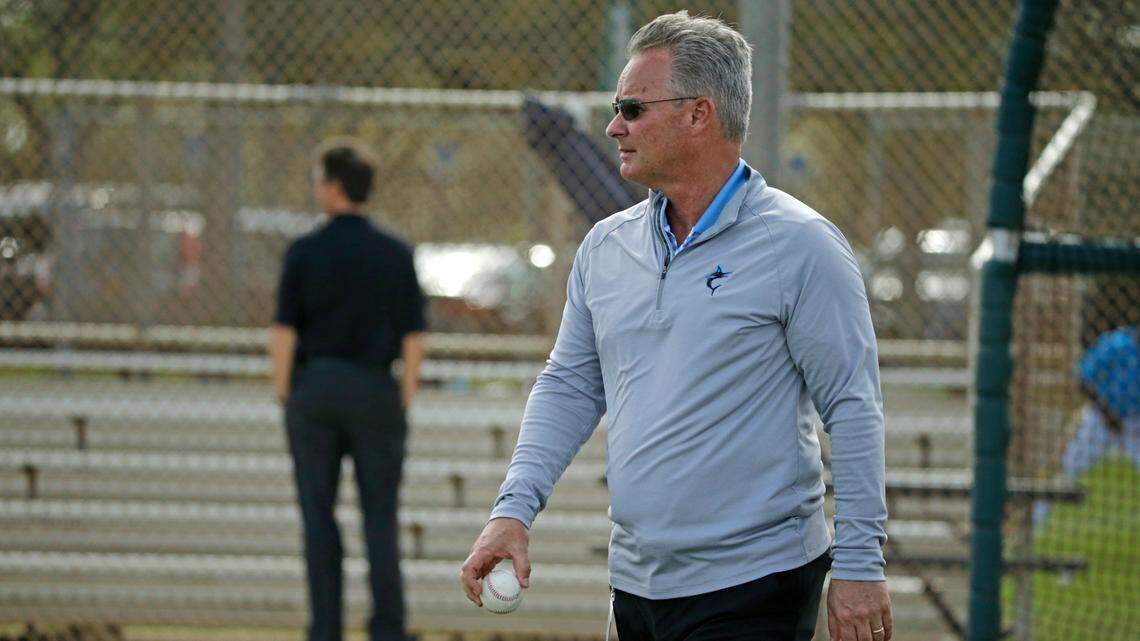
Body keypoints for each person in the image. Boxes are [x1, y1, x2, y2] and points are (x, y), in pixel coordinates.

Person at [459, 11, 891, 641]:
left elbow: (852, 406)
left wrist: (859, 563)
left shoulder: (801, 245)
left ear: (699, 114)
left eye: (633, 108)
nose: (614, 127)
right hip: (636, 583)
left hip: (756, 585)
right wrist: (511, 512)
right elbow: (570, 385)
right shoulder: (606, 246)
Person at [270, 139, 426, 641]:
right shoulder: (395, 253)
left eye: (319, 180)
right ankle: (388, 628)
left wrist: (286, 393)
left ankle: (326, 628)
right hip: (375, 388)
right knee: (380, 517)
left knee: (318, 515)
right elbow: (413, 337)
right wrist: (402, 395)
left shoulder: (304, 251)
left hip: (315, 389)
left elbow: (283, 333)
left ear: (334, 187)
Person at [1034, 325, 1139, 527]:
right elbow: (1082, 379)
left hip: (1135, 421)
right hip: (1100, 417)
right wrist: (1107, 413)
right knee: (1069, 466)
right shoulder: (1116, 344)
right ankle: (1036, 522)